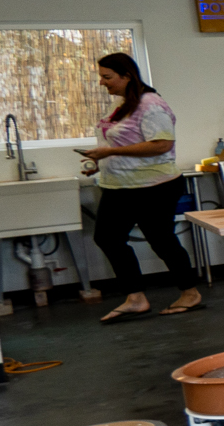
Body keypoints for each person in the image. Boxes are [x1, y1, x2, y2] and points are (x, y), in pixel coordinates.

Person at [81, 53, 203, 321]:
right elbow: (121, 146)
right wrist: (100, 162)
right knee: (108, 238)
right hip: (120, 186)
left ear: (127, 76)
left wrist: (109, 154)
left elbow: (161, 144)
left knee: (161, 240)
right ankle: (135, 297)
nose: (102, 82)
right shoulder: (125, 104)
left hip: (154, 186)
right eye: (101, 76)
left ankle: (190, 293)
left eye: (107, 77)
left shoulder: (151, 105)